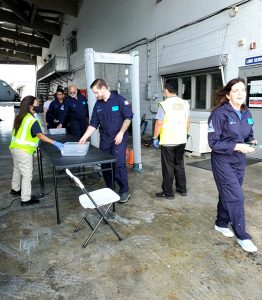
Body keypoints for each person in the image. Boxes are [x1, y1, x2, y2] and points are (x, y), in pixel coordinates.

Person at [208, 78, 257, 253]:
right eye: (236, 90)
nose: (240, 93)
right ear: (228, 95)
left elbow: (248, 134)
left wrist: (251, 141)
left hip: (239, 160)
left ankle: (221, 223)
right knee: (236, 197)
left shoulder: (246, 112)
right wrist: (237, 146)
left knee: (228, 193)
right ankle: (242, 236)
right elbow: (213, 143)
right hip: (223, 161)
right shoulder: (219, 114)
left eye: (243, 90)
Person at [79, 78, 133, 203]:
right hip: (105, 139)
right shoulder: (98, 105)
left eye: (96, 92)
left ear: (103, 88)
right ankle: (110, 188)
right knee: (105, 164)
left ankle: (124, 190)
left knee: (119, 164)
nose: (95, 95)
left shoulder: (119, 100)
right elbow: (93, 123)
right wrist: (84, 136)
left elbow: (128, 118)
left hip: (118, 139)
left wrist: (121, 133)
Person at [9, 95, 64, 206]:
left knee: (17, 169)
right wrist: (54, 143)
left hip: (14, 147)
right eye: (37, 104)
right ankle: (25, 199)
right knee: (27, 175)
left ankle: (15, 189)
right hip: (24, 151)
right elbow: (39, 135)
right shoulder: (32, 120)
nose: (39, 106)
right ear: (30, 107)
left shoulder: (20, 117)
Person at [153, 79, 190, 199]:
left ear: (167, 90)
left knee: (168, 167)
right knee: (179, 165)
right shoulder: (184, 103)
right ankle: (182, 189)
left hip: (168, 140)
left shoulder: (164, 104)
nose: (163, 90)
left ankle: (168, 192)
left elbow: (159, 122)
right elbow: (187, 121)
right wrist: (185, 134)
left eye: (164, 88)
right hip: (181, 140)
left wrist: (154, 137)